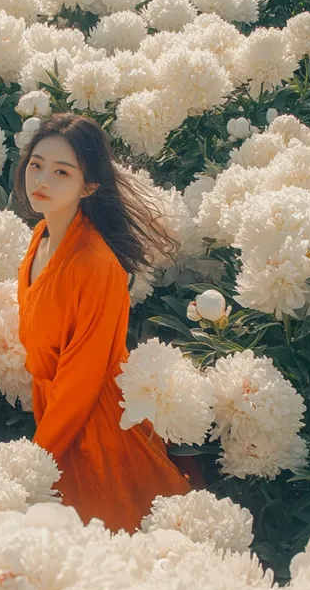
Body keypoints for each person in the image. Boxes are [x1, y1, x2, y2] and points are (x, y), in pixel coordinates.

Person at [15, 112, 195, 534]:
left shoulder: (96, 266)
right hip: (54, 408)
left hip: (93, 427)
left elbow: (82, 381)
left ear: (89, 185)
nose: (41, 179)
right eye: (36, 164)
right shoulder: (40, 237)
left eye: (62, 172)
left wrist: (32, 464)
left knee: (110, 541)